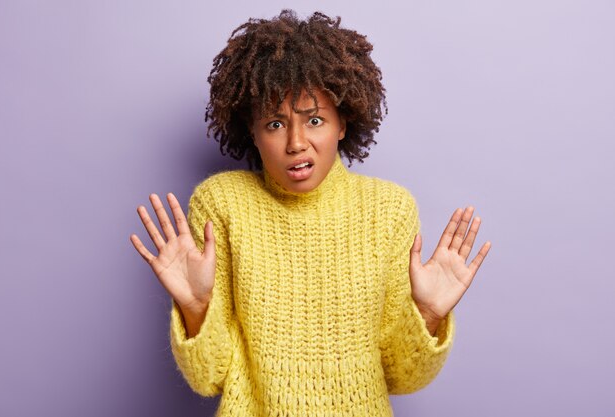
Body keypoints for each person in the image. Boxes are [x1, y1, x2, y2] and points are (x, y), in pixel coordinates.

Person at [130, 9, 491, 416]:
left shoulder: (389, 210)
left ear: (343, 123)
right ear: (252, 129)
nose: (296, 143)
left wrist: (426, 314)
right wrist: (196, 307)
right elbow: (209, 377)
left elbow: (402, 377)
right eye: (274, 124)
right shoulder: (221, 203)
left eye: (314, 119)